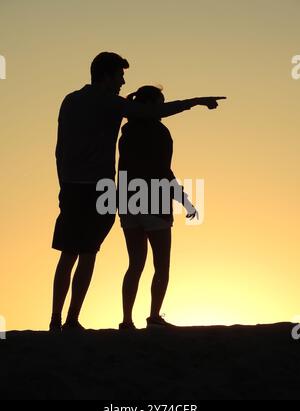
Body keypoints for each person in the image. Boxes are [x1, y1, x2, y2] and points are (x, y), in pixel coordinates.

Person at [50, 51, 226, 332]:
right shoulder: (113, 105)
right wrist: (196, 102)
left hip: (80, 189)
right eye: (119, 76)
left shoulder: (71, 101)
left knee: (71, 254)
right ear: (106, 75)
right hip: (100, 190)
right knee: (88, 253)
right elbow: (153, 117)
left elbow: (59, 149)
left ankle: (58, 320)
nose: (122, 82)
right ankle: (72, 320)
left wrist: (62, 183)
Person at [117, 85, 213, 329]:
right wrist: (184, 200)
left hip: (127, 202)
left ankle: (127, 320)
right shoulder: (159, 132)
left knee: (135, 264)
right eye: (160, 102)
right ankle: (154, 317)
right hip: (154, 203)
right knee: (161, 264)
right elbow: (163, 171)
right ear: (151, 105)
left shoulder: (126, 131)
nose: (163, 108)